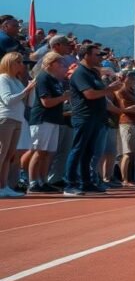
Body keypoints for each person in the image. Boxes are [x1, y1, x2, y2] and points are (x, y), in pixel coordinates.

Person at [66, 44, 125, 195]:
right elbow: (90, 94)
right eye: (97, 55)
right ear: (86, 55)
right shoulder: (80, 73)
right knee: (78, 149)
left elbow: (99, 93)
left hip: (96, 117)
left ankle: (86, 182)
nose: (101, 57)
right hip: (84, 116)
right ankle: (70, 183)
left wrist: (109, 88)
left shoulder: (92, 73)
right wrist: (110, 89)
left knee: (89, 152)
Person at [25, 52, 68, 192]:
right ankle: (32, 182)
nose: (62, 66)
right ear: (51, 63)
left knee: (49, 153)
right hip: (43, 119)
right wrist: (63, 98)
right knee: (39, 152)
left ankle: (43, 181)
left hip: (53, 119)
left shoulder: (55, 80)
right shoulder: (43, 77)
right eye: (60, 63)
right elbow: (46, 102)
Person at [0, 53, 36, 197]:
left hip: (17, 119)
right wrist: (26, 90)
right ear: (10, 63)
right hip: (5, 119)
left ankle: (4, 185)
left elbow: (26, 102)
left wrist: (29, 90)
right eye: (19, 62)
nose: (23, 65)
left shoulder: (16, 80)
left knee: (9, 155)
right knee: (2, 153)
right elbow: (8, 100)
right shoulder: (3, 79)